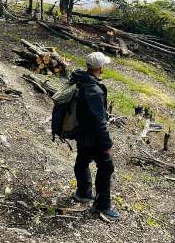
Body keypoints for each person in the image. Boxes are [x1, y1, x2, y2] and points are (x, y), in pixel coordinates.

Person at [71, 51, 119, 222]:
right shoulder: (94, 90)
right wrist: (107, 143)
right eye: (103, 65)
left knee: (82, 161)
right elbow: (99, 122)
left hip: (82, 133)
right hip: (93, 137)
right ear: (100, 68)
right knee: (106, 167)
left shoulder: (81, 80)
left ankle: (83, 193)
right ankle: (102, 205)